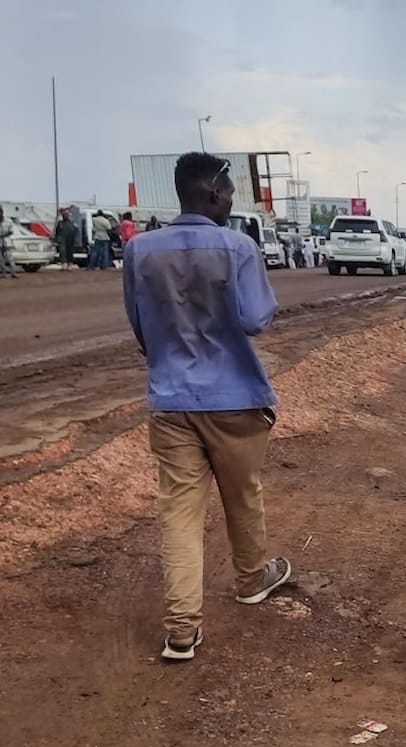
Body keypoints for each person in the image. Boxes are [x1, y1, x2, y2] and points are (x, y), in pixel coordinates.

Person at [122, 152, 292, 661]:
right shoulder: (237, 246)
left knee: (178, 513)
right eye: (230, 194)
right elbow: (257, 319)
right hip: (236, 396)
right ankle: (251, 580)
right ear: (213, 193)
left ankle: (181, 630)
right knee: (243, 496)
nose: (231, 202)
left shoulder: (140, 250)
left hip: (171, 400)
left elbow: (139, 325)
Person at [0, 209, 17, 279]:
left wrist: (3, 235)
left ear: (2, 213)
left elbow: (11, 231)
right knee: (0, 259)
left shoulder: (8, 220)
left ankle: (13, 273)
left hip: (7, 241)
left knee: (10, 258)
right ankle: (3, 273)